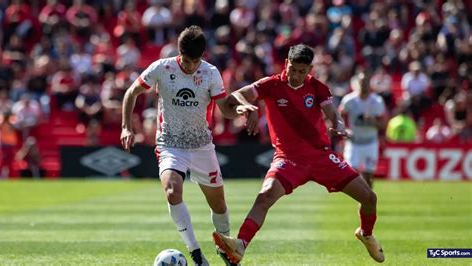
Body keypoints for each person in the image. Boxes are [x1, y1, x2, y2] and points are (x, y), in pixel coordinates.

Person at [212, 44, 384, 264]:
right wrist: (248, 107)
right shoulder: (271, 84)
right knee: (264, 196)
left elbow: (333, 114)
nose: (296, 75)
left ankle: (366, 233)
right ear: (286, 64)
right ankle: (240, 245)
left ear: (310, 69)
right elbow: (236, 95)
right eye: (293, 69)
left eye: (302, 71)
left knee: (369, 197)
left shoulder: (318, 88)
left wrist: (339, 125)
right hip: (288, 159)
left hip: (321, 157)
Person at [120, 25, 256, 266]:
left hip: (202, 146)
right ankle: (195, 253)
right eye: (188, 60)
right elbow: (132, 92)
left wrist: (239, 110)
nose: (192, 66)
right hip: (170, 144)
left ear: (202, 56)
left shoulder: (210, 72)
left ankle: (226, 250)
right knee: (172, 191)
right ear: (179, 52)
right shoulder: (162, 68)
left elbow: (224, 108)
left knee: (219, 204)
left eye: (197, 61)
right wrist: (126, 126)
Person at [339, 72, 386, 188]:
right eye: (361, 82)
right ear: (357, 83)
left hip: (370, 142)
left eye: (366, 82)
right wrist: (345, 130)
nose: (363, 85)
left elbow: (383, 124)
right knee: (351, 173)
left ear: (369, 84)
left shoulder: (377, 101)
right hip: (354, 142)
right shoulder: (349, 100)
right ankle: (360, 197)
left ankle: (366, 202)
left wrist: (372, 122)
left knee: (369, 174)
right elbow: (339, 117)